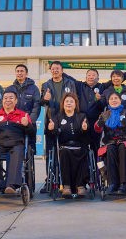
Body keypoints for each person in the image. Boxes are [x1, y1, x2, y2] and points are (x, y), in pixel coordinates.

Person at [0, 90, 35, 194]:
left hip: (16, 145)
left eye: (11, 98)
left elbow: (31, 133)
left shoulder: (23, 115)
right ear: (2, 101)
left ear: (16, 101)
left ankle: (11, 186)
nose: (8, 100)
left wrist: (27, 125)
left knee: (17, 152)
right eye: (5, 98)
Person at [40, 61, 77, 192]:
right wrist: (45, 98)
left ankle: (70, 181)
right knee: (51, 152)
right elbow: (41, 103)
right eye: (53, 69)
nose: (55, 70)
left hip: (67, 120)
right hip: (51, 121)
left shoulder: (70, 83)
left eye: (57, 68)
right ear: (50, 70)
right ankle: (50, 180)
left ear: (62, 70)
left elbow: (74, 100)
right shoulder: (46, 85)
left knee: (67, 150)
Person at [94, 91, 126, 195]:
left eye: (116, 98)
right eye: (111, 99)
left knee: (123, 147)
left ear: (120, 100)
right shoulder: (105, 114)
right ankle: (112, 183)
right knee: (110, 149)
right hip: (110, 141)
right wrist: (99, 124)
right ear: (108, 101)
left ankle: (124, 184)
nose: (114, 100)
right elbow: (97, 129)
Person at [46, 92, 89, 196]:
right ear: (63, 104)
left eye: (71, 101)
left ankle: (80, 185)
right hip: (64, 146)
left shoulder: (82, 116)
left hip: (79, 146)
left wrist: (84, 129)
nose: (69, 103)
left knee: (83, 153)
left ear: (75, 104)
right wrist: (51, 129)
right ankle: (66, 186)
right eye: (67, 101)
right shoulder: (57, 117)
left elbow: (87, 136)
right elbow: (53, 135)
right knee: (64, 153)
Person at [5, 64, 41, 154]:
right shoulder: (10, 89)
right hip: (13, 124)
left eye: (22, 71)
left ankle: (29, 161)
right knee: (12, 148)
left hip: (29, 124)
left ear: (26, 73)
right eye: (17, 71)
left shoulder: (34, 88)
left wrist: (29, 121)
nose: (19, 73)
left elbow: (36, 106)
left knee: (30, 149)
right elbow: (5, 106)